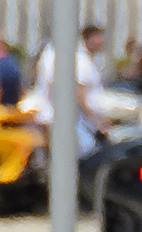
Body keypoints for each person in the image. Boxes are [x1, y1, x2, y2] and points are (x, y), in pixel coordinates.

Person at [31, 25, 105, 156]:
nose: (102, 42)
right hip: (70, 122)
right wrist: (97, 121)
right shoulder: (75, 56)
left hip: (55, 118)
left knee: (56, 163)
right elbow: (78, 92)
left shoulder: (51, 52)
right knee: (84, 159)